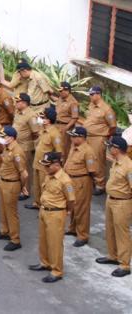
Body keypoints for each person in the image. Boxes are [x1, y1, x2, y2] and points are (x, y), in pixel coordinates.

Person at [30, 152, 75, 283]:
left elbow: (71, 200)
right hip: (44, 211)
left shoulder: (65, 180)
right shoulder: (49, 175)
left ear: (56, 165)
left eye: (48, 166)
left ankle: (57, 270)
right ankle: (45, 263)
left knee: (55, 243)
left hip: (56, 213)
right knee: (43, 239)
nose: (45, 168)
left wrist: (68, 211)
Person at [96, 135, 131, 278]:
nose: (109, 148)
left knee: (122, 234)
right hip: (111, 200)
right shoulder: (116, 162)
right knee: (110, 229)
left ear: (117, 149)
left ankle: (124, 264)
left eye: (111, 146)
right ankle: (113, 255)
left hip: (122, 202)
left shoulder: (129, 167)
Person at [0, 125, 27, 252]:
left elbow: (24, 173)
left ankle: (15, 239)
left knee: (11, 212)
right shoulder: (7, 148)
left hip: (12, 184)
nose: (0, 138)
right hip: (3, 181)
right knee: (3, 208)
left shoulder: (17, 152)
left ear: (11, 138)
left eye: (3, 136)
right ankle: (5, 231)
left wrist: (22, 188)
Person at [63, 125, 98, 248]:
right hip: (71, 180)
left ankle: (83, 235)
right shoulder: (74, 147)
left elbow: (92, 170)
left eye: (74, 136)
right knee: (72, 205)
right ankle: (72, 228)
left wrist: (91, 183)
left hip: (81, 181)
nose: (71, 139)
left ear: (81, 137)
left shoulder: (88, 151)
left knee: (81, 209)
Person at [85, 85, 117, 191]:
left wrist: (106, 136)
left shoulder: (107, 109)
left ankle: (100, 184)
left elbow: (113, 126)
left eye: (92, 94)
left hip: (98, 139)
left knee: (98, 161)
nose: (90, 97)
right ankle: (92, 180)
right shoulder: (91, 105)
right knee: (89, 159)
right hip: (88, 137)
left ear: (98, 94)